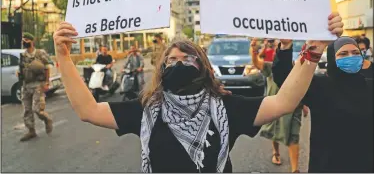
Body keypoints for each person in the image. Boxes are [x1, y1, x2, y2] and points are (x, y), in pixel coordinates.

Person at [52, 12, 342, 173]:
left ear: (203, 67)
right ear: (161, 68)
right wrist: (63, 56)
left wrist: (313, 49)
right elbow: (88, 110)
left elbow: (284, 101)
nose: (180, 64)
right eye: (172, 60)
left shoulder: (227, 106)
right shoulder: (145, 109)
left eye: (188, 59)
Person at [272, 36, 373, 173]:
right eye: (343, 54)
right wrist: (285, 48)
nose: (351, 57)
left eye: (355, 53)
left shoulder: (369, 86)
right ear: (332, 58)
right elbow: (285, 79)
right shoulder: (320, 87)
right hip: (327, 166)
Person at [250, 38, 308, 173]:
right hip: (275, 106)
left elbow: (303, 88)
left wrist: (305, 105)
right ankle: (276, 153)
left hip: (294, 107)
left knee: (294, 136)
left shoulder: (297, 70)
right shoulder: (271, 67)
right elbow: (257, 63)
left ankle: (295, 170)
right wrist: (253, 50)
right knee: (275, 132)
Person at [18, 32, 53, 141]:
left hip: (38, 84)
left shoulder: (40, 53)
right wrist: (19, 73)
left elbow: (47, 67)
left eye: (26, 40)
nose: (24, 42)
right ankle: (31, 131)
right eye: (23, 40)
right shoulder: (23, 55)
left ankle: (47, 119)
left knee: (37, 109)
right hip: (26, 84)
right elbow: (21, 68)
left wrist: (47, 82)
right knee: (27, 109)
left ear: (32, 41)